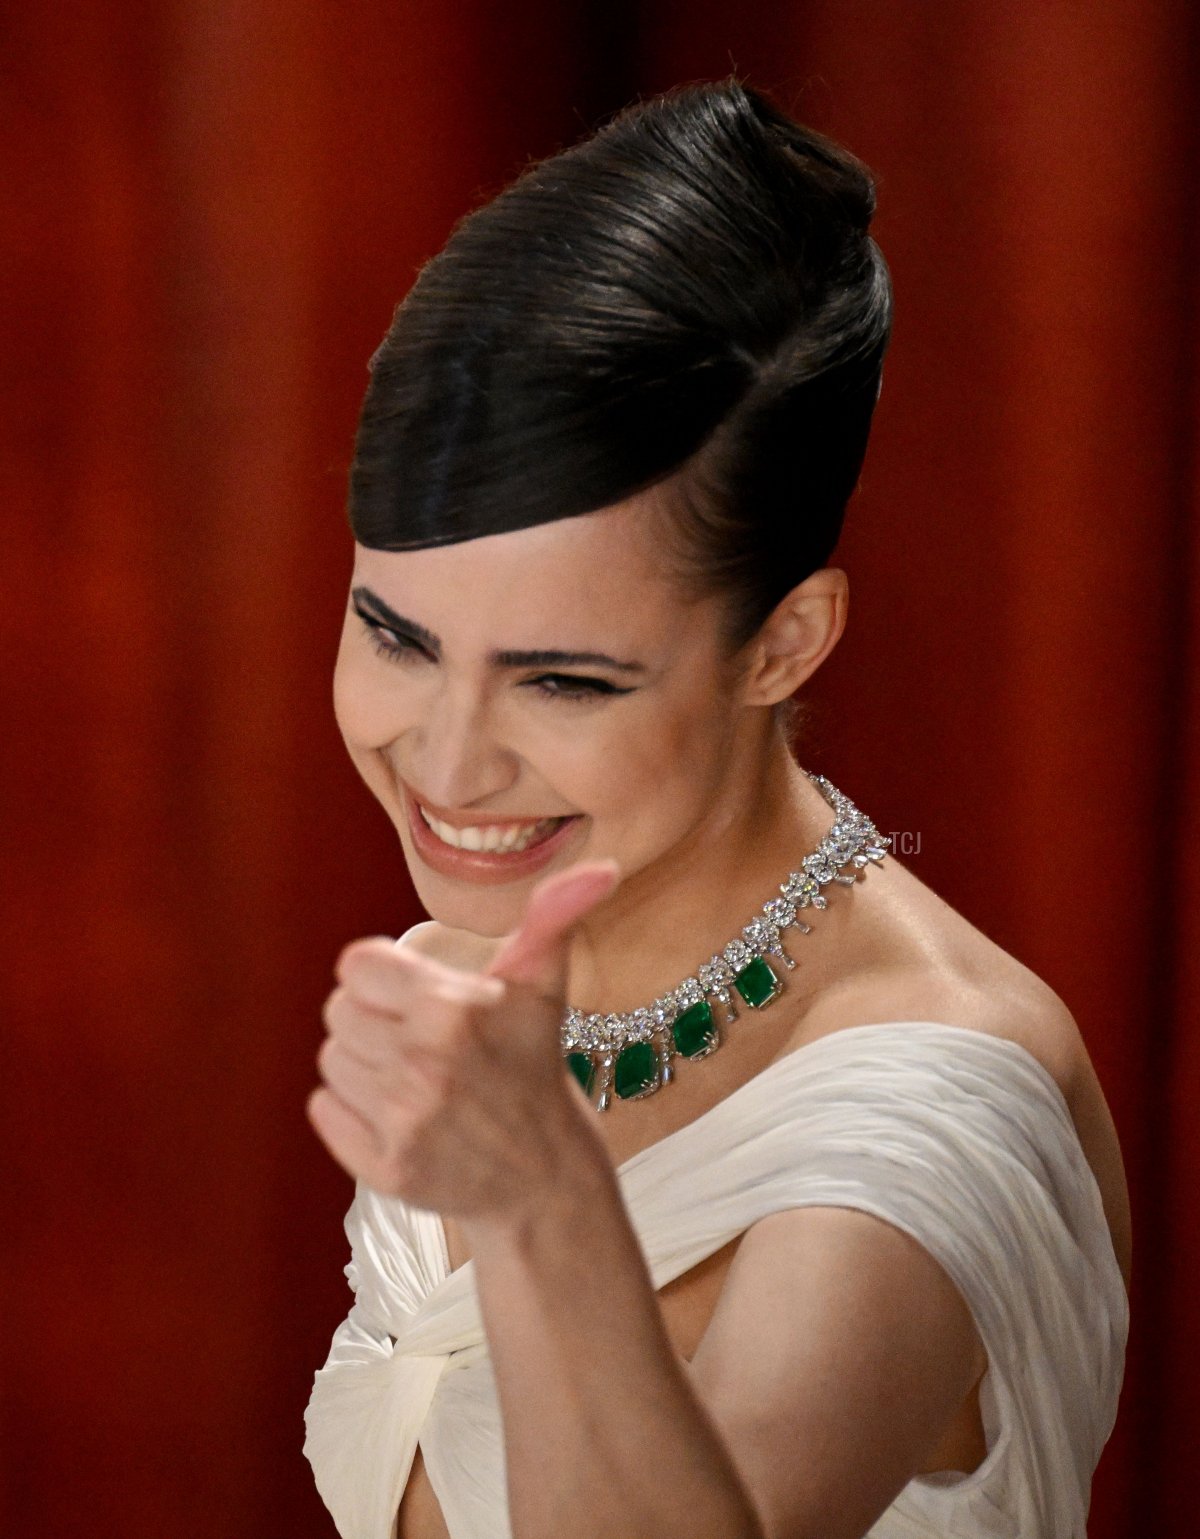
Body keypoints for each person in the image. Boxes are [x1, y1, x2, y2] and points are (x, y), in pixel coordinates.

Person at [301, 76, 1131, 1539]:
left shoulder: (936, 1105)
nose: (449, 763)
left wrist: (543, 1204)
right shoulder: (475, 984)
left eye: (564, 680)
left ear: (784, 643)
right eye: (397, 637)